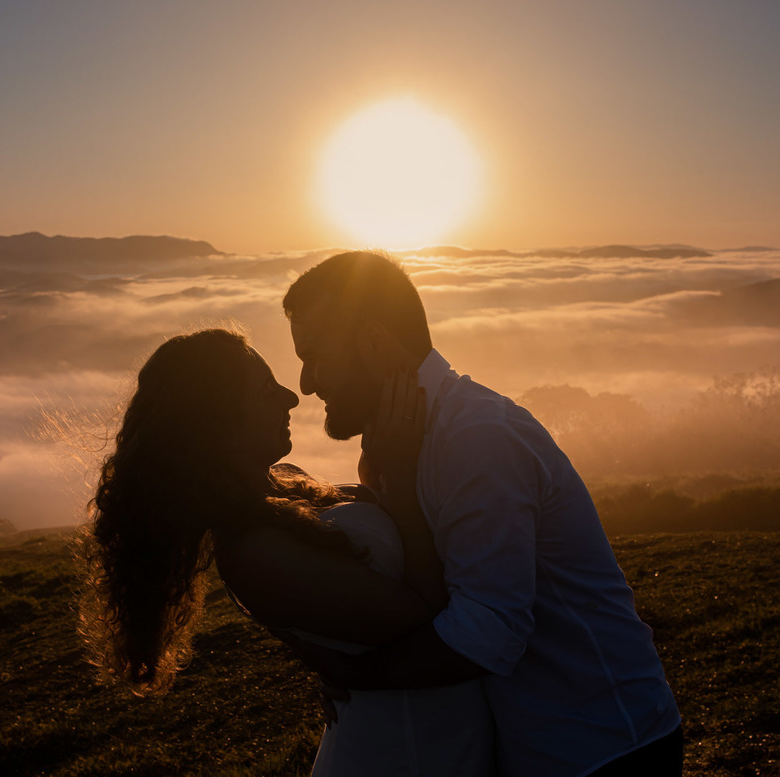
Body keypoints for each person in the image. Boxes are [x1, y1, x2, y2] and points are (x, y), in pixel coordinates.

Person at [282, 251, 683, 777]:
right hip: (541, 747)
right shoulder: (399, 446)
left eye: (314, 356)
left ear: (374, 342)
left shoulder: (476, 438)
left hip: (603, 745)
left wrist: (355, 675)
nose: (306, 383)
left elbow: (487, 632)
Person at [81, 327, 495, 775]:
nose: (291, 397)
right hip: (404, 749)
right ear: (220, 424)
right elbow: (423, 609)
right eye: (267, 389)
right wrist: (403, 468)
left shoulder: (287, 483)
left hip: (439, 726)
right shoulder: (252, 552)